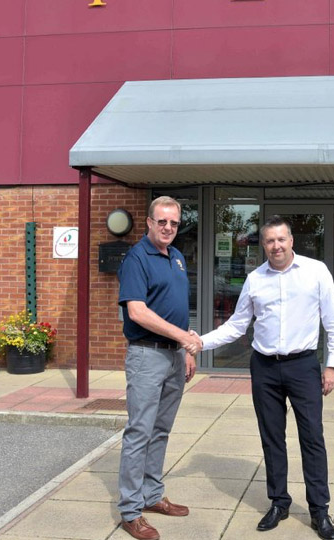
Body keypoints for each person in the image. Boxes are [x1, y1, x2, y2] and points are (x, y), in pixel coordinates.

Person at [197, 215, 334, 540]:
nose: (276, 245)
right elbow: (237, 325)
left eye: (281, 239)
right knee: (272, 437)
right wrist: (200, 342)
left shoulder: (316, 272)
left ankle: (319, 510)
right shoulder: (255, 279)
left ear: (291, 241)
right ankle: (279, 502)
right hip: (264, 367)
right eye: (270, 240)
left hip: (303, 366)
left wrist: (332, 365)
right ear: (263, 245)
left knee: (312, 438)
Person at [117, 196, 202, 540]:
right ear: (149, 222)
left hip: (174, 357)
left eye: (174, 223)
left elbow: (176, 307)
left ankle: (152, 495)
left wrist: (186, 350)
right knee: (139, 432)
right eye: (162, 221)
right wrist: (184, 338)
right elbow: (137, 311)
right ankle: (130, 510)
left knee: (161, 429)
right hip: (147, 355)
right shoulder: (137, 258)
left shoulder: (177, 257)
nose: (168, 228)